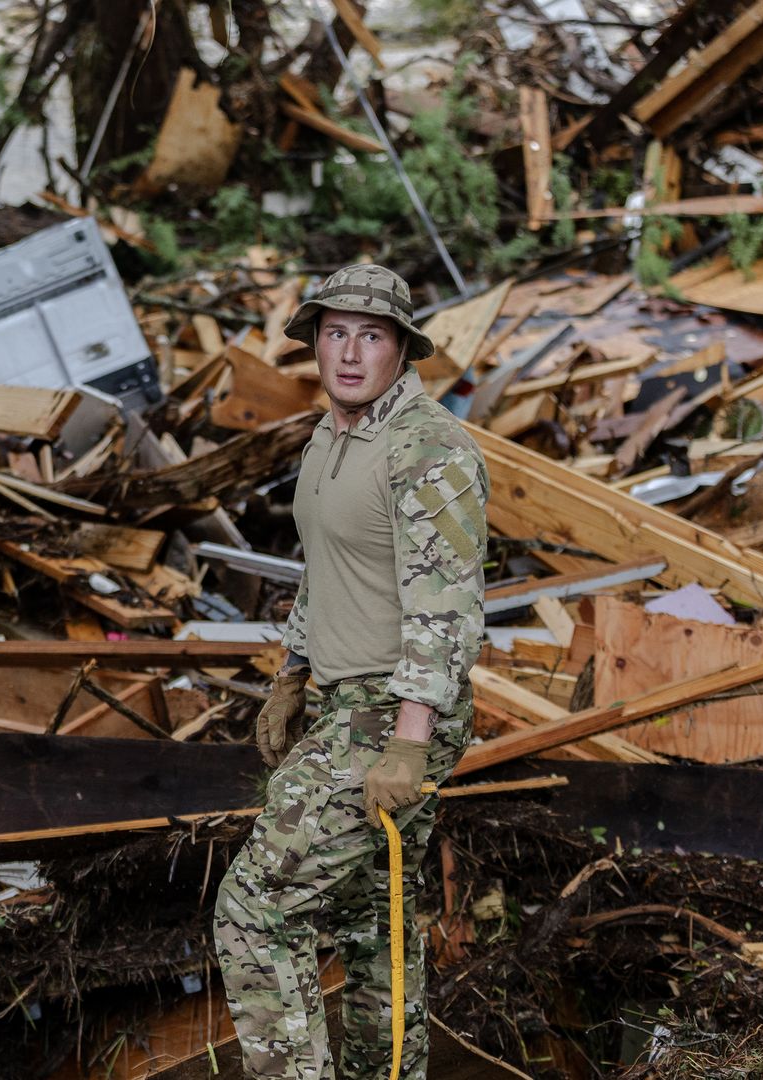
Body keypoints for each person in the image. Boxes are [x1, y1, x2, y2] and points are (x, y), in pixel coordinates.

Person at [213, 264, 488, 1079]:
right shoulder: (329, 438)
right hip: (342, 701)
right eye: (336, 333)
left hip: (393, 710)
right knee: (377, 926)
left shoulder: (428, 448)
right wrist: (293, 672)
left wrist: (409, 743)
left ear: (401, 350)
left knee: (255, 908)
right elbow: (324, 567)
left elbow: (447, 606)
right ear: (314, 342)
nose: (350, 352)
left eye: (371, 336)